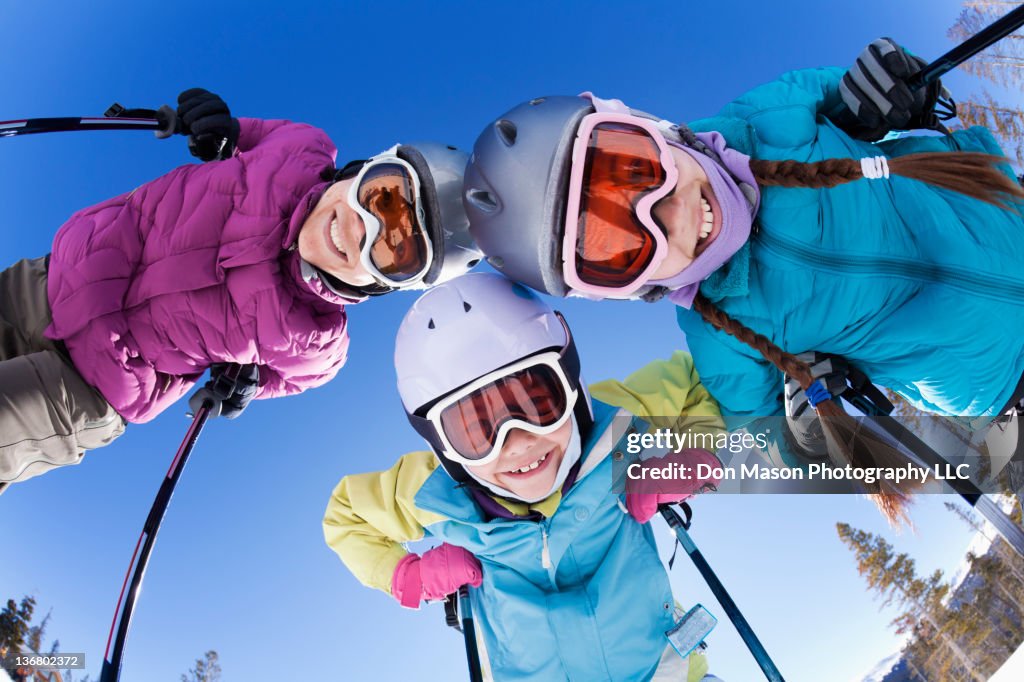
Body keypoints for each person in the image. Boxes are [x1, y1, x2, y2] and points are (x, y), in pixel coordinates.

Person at [459, 39, 1024, 514]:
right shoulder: (721, 336)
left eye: (635, 171)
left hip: (1006, 210)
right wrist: (803, 432)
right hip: (999, 383)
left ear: (650, 128)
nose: (670, 215)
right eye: (618, 246)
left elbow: (867, 87)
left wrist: (901, 92)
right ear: (628, 288)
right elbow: (765, 442)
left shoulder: (768, 118)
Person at [0, 88, 480, 490]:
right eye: (382, 196)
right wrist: (213, 125)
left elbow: (282, 380)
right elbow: (240, 132)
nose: (361, 230)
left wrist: (244, 384)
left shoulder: (317, 344)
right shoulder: (300, 147)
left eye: (395, 250)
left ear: (383, 286)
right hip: (44, 282)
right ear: (362, 168)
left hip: (85, 386)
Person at [323, 272, 724, 682]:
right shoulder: (434, 493)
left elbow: (699, 381)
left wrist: (698, 458)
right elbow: (346, 515)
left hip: (665, 671)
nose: (516, 443)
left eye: (535, 404)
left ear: (571, 381)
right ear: (443, 446)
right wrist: (408, 576)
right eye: (476, 432)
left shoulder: (616, 424)